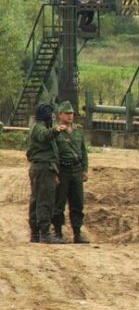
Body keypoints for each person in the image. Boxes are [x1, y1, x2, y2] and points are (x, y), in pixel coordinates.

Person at [27, 102, 67, 244]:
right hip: (44, 168)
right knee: (45, 199)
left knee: (37, 199)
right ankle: (44, 232)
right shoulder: (39, 128)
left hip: (41, 167)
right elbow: (45, 136)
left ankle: (35, 232)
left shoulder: (36, 127)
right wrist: (56, 130)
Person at [52, 101, 90, 244]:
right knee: (59, 203)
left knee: (77, 203)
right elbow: (53, 153)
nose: (70, 116)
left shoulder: (78, 130)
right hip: (63, 170)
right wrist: (55, 173)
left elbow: (83, 152)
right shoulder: (56, 132)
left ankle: (77, 233)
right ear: (60, 115)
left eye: (71, 113)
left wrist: (85, 169)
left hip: (76, 170)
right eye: (67, 113)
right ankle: (57, 232)